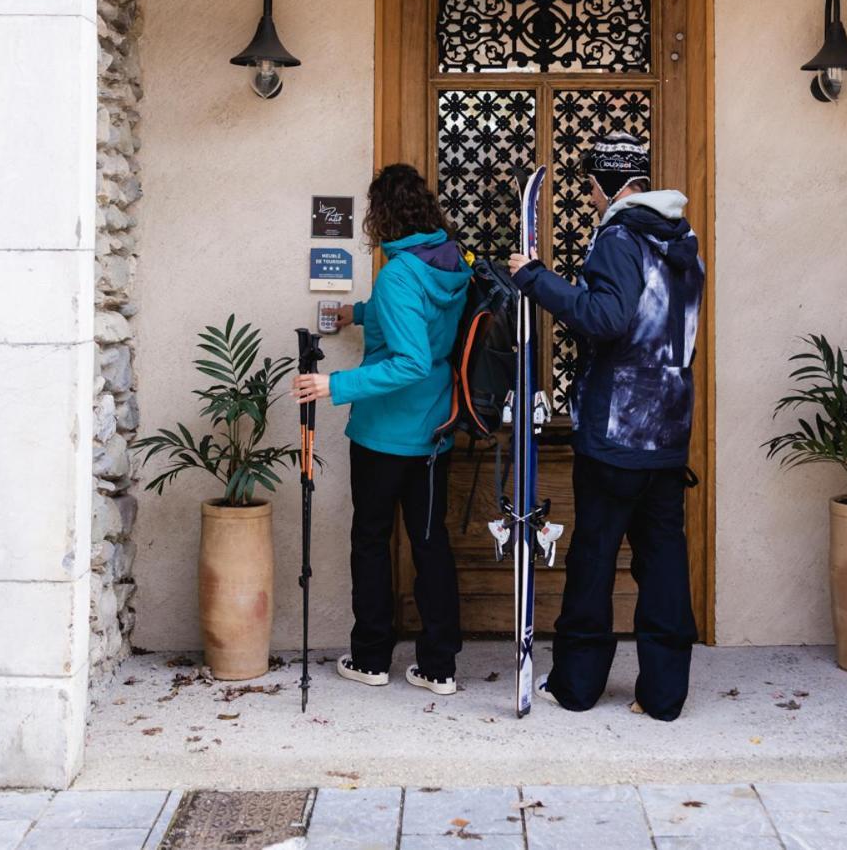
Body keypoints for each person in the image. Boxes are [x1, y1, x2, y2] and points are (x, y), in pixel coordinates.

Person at [508, 132, 705, 721]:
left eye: (592, 185)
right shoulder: (683, 242)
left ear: (607, 184)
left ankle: (577, 687)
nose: (590, 196)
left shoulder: (619, 237)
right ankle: (665, 697)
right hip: (668, 432)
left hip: (617, 431)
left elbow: (606, 317)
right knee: (663, 564)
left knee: (593, 560)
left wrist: (536, 277)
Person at [293, 164, 471, 696]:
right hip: (434, 428)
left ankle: (371, 657)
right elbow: (419, 321)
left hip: (384, 434)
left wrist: (334, 386)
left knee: (370, 541)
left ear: (381, 214)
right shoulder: (448, 261)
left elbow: (411, 358)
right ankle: (439, 667)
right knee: (429, 542)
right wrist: (359, 313)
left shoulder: (398, 272)